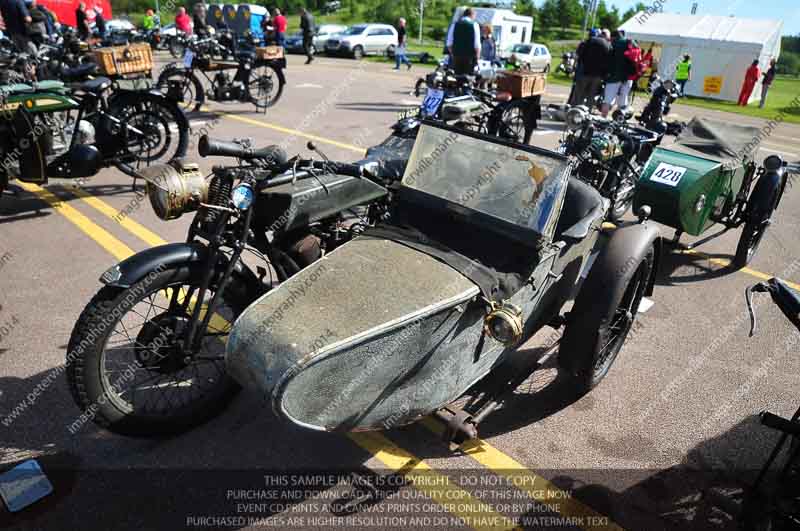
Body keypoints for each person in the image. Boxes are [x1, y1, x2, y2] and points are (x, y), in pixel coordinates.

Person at [570, 28, 610, 107]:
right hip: (598, 75)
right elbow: (608, 61)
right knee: (591, 96)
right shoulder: (608, 45)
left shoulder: (590, 41)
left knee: (579, 94)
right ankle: (587, 113)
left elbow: (581, 55)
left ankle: (573, 111)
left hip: (585, 72)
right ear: (606, 36)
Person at [601, 30, 634, 117]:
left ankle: (603, 119)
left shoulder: (613, 44)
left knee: (607, 101)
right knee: (623, 101)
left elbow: (607, 60)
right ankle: (618, 122)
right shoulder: (631, 43)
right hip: (628, 78)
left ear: (613, 37)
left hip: (613, 77)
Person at [446, 7, 480, 75]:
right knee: (468, 78)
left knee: (457, 77)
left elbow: (449, 43)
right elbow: (477, 44)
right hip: (470, 56)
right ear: (472, 15)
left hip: (457, 56)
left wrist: (453, 54)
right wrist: (477, 57)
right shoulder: (474, 25)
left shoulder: (454, 24)